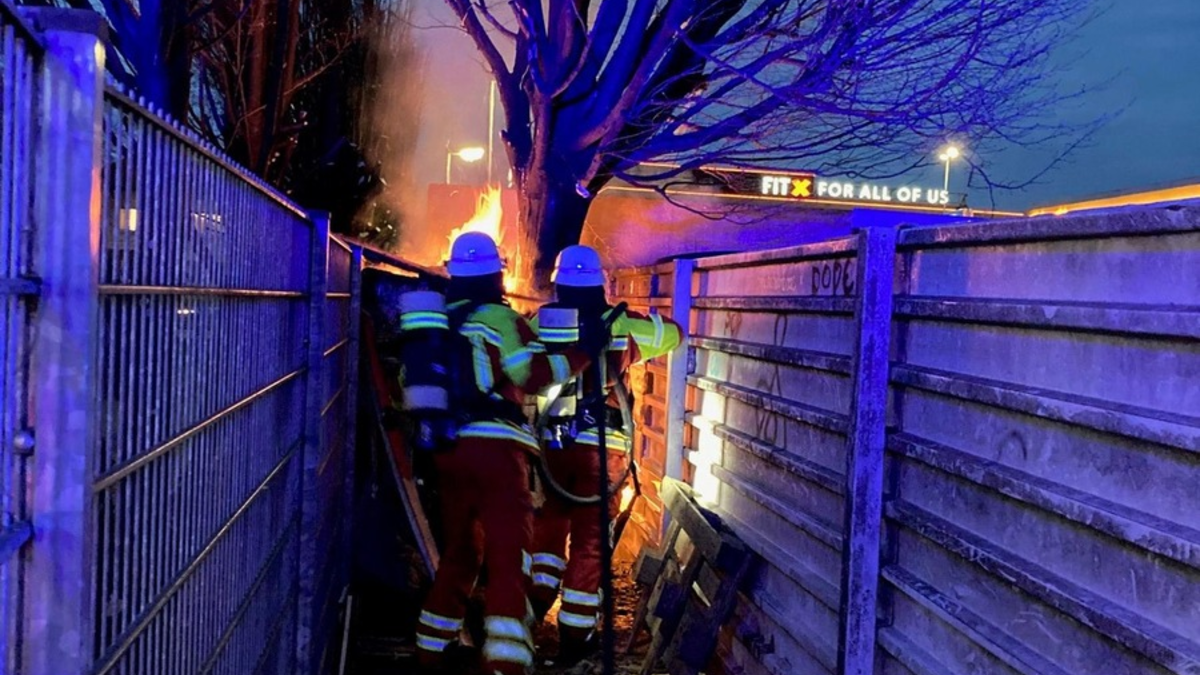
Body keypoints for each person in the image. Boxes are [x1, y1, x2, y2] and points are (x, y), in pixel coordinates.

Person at [413, 232, 593, 675]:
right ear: (496, 273)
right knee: (508, 557)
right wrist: (582, 354)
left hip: (447, 450)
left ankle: (429, 653)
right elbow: (533, 375)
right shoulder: (499, 318)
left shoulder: (438, 322)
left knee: (459, 553)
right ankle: (505, 664)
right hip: (498, 452)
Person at [527, 245, 683, 664]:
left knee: (550, 526)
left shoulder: (539, 322)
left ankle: (531, 609)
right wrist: (631, 318)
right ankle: (575, 637)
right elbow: (675, 332)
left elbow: (521, 364)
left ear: (558, 284)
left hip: (555, 445)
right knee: (592, 542)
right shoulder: (623, 325)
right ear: (600, 284)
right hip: (604, 448)